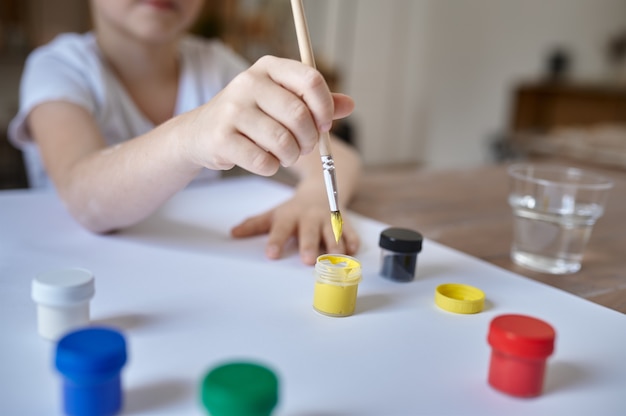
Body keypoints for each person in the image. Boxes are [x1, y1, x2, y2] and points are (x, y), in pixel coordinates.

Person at [7, 0, 362, 266]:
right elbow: (82, 194)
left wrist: (315, 195)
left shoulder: (215, 64)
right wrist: (191, 134)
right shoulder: (57, 67)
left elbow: (338, 155)